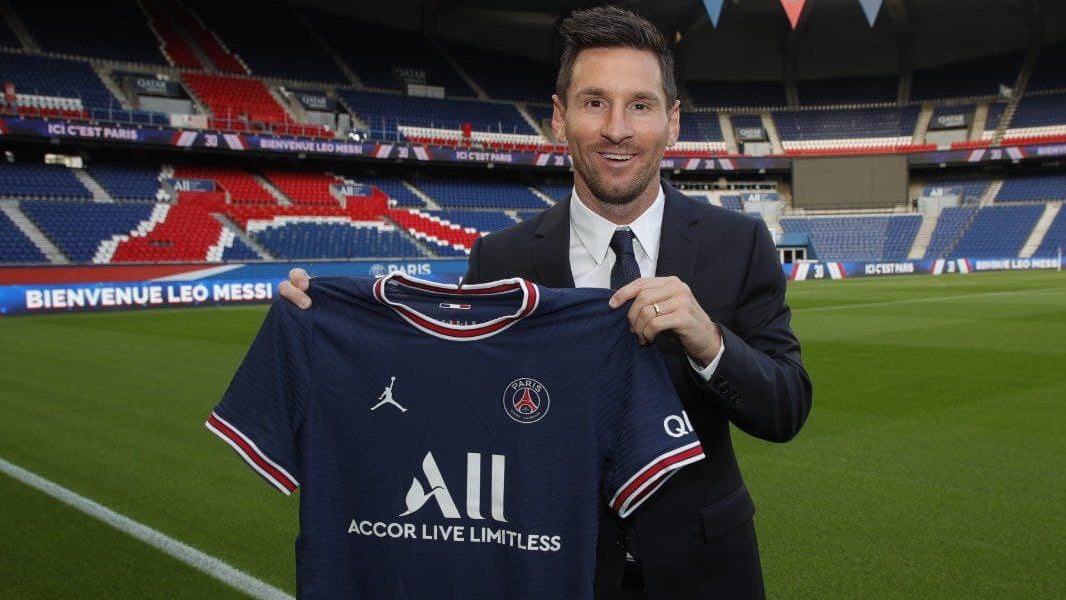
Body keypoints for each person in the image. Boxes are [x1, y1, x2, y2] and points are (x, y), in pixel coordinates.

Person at [280, 7, 812, 599]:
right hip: (551, 572)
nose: (616, 129)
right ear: (559, 118)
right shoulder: (499, 260)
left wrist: (708, 342)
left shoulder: (739, 243)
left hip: (708, 572)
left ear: (673, 123)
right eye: (594, 102)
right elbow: (446, 403)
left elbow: (786, 408)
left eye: (640, 105)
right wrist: (328, 332)